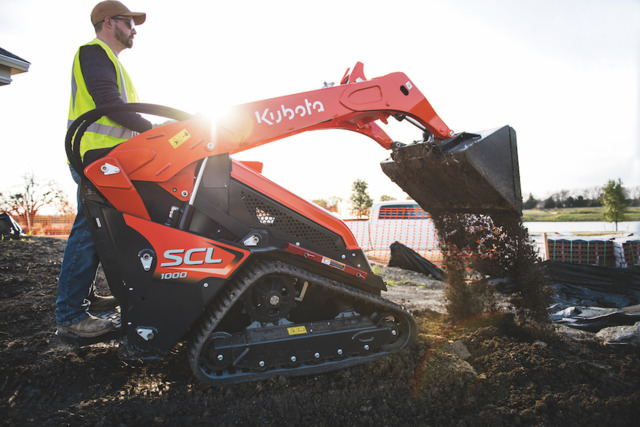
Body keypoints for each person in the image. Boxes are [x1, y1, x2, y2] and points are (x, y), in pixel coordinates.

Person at [57, 1, 152, 338]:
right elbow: (110, 105)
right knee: (88, 230)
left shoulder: (111, 61)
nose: (135, 29)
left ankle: (82, 298)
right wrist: (153, 130)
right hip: (96, 155)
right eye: (130, 23)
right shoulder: (94, 52)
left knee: (98, 229)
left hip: (107, 157)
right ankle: (69, 316)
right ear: (109, 22)